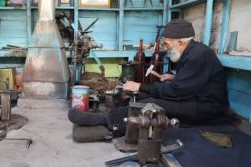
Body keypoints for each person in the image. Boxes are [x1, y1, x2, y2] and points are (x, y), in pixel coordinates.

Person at [69, 19, 229, 140]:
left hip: (207, 108)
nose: (165, 48)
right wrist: (175, 77)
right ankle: (116, 116)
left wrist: (139, 86)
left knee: (154, 104)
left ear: (180, 42)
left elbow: (176, 91)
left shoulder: (198, 55)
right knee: (144, 98)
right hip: (193, 98)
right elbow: (195, 80)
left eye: (166, 44)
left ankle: (106, 121)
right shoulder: (192, 53)